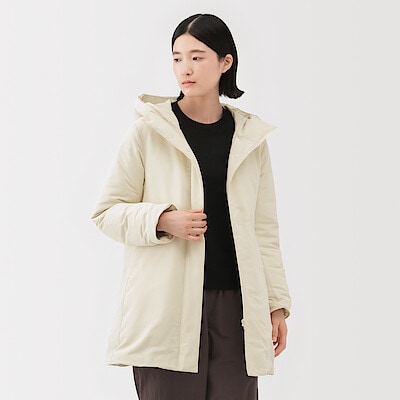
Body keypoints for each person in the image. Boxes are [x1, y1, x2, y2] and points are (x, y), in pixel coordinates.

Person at [91, 13, 291, 400]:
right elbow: (107, 212)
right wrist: (162, 219)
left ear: (225, 62)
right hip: (167, 307)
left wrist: (276, 304)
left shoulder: (250, 139)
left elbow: (264, 230)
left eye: (197, 57)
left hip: (237, 307)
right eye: (177, 57)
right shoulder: (148, 131)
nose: (185, 68)